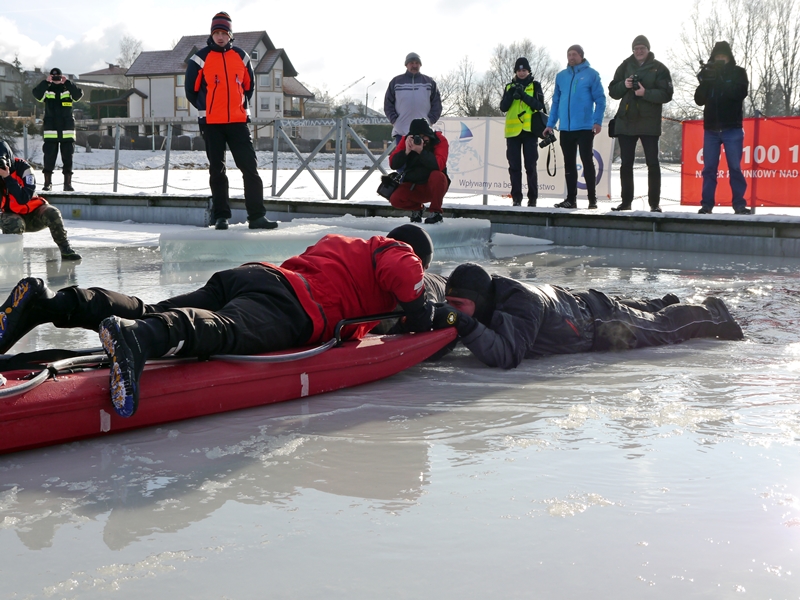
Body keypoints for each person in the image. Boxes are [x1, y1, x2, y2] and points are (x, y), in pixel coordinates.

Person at [0, 225, 437, 417]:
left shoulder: (342, 244)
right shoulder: (393, 250)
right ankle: (138, 340)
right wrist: (420, 311)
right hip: (294, 307)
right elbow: (404, 273)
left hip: (256, 276)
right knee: (223, 331)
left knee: (152, 308)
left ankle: (49, 304)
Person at [432, 263, 743, 369]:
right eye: (450, 304)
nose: (453, 310)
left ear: (480, 301)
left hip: (599, 323)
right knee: (647, 314)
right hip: (580, 305)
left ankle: (713, 314)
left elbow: (508, 355)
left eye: (459, 304)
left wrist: (462, 323)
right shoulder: (490, 299)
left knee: (663, 329)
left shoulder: (521, 304)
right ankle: (660, 302)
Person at [185, 11, 278, 231]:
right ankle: (221, 217)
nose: (220, 37)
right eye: (216, 33)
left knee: (250, 168)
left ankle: (257, 217)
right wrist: (209, 109)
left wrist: (238, 108)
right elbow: (191, 91)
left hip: (238, 122)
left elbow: (249, 87)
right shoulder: (199, 59)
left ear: (230, 35)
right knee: (217, 171)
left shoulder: (241, 56)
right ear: (211, 34)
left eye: (224, 33)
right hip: (211, 124)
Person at [608, 35, 674, 212]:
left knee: (653, 163)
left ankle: (654, 204)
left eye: (642, 48)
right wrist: (624, 85)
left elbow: (667, 94)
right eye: (636, 48)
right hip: (626, 122)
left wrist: (645, 93)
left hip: (649, 122)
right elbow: (613, 91)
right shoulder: (624, 66)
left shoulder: (659, 68)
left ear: (648, 49)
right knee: (626, 164)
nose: (639, 51)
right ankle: (626, 202)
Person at [543, 45, 606, 210]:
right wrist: (550, 124)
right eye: (569, 54)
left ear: (581, 56)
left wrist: (597, 121)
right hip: (566, 128)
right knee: (569, 164)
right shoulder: (561, 76)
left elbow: (600, 99)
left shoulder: (591, 74)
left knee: (587, 161)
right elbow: (555, 102)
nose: (571, 57)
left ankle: (592, 199)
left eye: (574, 54)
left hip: (585, 127)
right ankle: (571, 199)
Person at [694, 41, 750, 215]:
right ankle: (706, 205)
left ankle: (739, 204)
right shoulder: (708, 73)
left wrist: (721, 80)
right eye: (717, 57)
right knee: (709, 169)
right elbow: (699, 100)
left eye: (723, 57)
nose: (720, 60)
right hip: (711, 129)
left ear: (729, 57)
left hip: (732, 128)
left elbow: (740, 94)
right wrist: (705, 81)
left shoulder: (738, 73)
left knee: (735, 167)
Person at [0, 140, 81, 260]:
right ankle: (11, 257)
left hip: (35, 213)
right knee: (13, 222)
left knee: (52, 212)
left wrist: (8, 178)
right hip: (12, 216)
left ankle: (66, 249)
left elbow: (23, 198)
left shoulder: (24, 168)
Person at [500, 57, 547, 207]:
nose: (521, 73)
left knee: (530, 166)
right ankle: (516, 198)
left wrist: (524, 96)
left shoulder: (535, 85)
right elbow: (503, 107)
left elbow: (539, 105)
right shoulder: (509, 86)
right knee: (514, 167)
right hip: (513, 133)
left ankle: (532, 198)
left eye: (524, 70)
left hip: (529, 131)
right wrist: (511, 94)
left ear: (529, 71)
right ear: (515, 71)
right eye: (519, 70)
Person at [388, 118, 449, 224]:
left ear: (429, 134)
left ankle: (436, 212)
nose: (420, 140)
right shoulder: (407, 140)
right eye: (417, 137)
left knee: (437, 176)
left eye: (423, 137)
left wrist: (421, 151)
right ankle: (417, 208)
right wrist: (406, 151)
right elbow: (393, 164)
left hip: (434, 186)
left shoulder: (439, 140)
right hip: (414, 185)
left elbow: (438, 165)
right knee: (395, 199)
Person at [31, 68, 83, 192]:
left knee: (68, 158)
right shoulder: (47, 90)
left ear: (61, 76)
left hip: (67, 130)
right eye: (53, 76)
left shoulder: (68, 89)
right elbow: (36, 94)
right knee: (49, 157)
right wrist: (46, 82)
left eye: (58, 76)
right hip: (51, 130)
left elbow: (78, 95)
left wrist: (67, 82)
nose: (56, 79)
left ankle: (67, 184)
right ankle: (47, 183)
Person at [384, 53, 442, 145]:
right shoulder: (396, 82)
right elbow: (388, 104)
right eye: (411, 63)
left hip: (423, 132)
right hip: (401, 132)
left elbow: (437, 105)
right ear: (406, 65)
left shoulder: (429, 82)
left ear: (420, 65)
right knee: (402, 155)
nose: (414, 65)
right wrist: (395, 120)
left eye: (417, 63)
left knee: (423, 155)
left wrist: (430, 120)